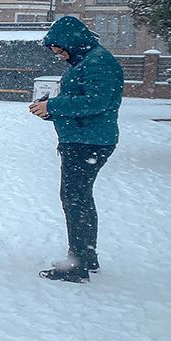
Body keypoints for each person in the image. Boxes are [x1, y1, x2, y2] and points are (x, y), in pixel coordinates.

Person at [29, 16, 123, 283]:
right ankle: (85, 257)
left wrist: (54, 107)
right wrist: (50, 109)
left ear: (73, 42)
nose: (59, 56)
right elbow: (80, 98)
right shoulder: (85, 61)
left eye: (60, 50)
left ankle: (78, 262)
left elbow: (97, 101)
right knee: (78, 197)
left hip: (88, 141)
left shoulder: (99, 62)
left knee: (75, 198)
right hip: (82, 138)